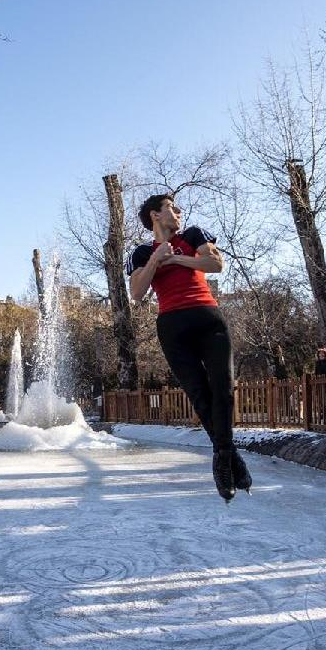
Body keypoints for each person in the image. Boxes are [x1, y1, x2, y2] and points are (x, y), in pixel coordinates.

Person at [125, 194, 251, 503]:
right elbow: (137, 292)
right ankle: (229, 458)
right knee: (199, 394)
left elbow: (215, 263)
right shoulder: (141, 252)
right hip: (172, 325)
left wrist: (178, 258)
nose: (178, 212)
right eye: (172, 207)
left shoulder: (193, 235)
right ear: (155, 215)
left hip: (208, 318)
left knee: (223, 389)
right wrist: (157, 258)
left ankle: (222, 458)